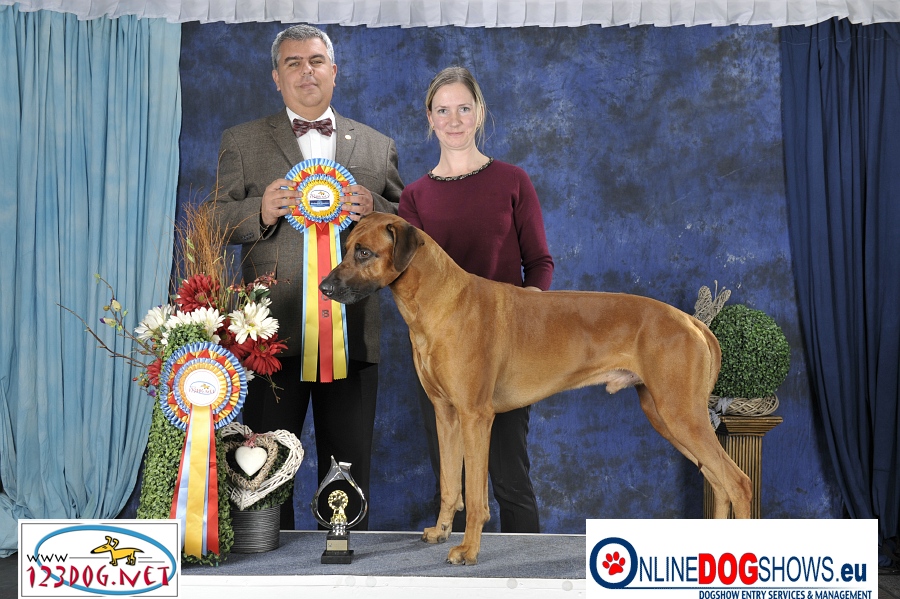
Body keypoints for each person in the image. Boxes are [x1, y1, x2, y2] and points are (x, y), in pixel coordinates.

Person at [210, 24, 403, 530]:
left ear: (334, 71)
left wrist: (376, 207)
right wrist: (260, 209)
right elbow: (210, 221)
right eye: (292, 62)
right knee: (264, 473)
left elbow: (409, 228)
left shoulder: (378, 146)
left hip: (352, 334)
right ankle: (266, 562)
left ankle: (344, 557)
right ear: (276, 77)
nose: (306, 71)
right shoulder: (242, 141)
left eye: (316, 60)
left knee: (349, 472)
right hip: (268, 338)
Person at [398, 66, 554, 533]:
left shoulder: (513, 180)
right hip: (439, 351)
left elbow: (539, 262)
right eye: (443, 110)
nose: (454, 119)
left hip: (505, 348)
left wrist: (526, 316)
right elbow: (409, 280)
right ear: (429, 118)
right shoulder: (414, 197)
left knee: (510, 477)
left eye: (464, 108)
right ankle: (459, 553)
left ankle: (526, 566)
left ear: (480, 113)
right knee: (452, 479)